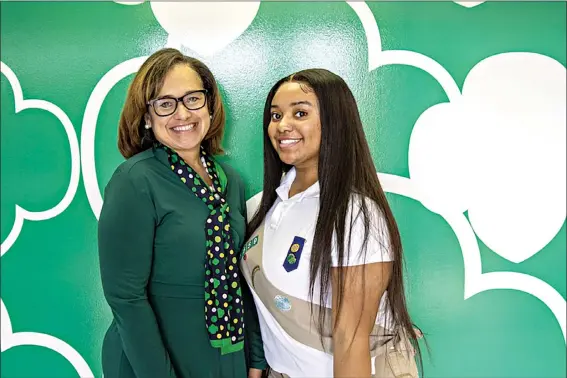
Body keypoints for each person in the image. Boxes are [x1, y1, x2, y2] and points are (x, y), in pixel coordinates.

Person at [241, 68, 423, 378]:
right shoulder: (270, 204)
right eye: (275, 116)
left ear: (334, 122)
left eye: (300, 113)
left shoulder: (355, 214)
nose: (283, 125)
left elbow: (350, 342)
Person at [98, 48, 266, 378]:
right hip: (154, 361)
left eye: (192, 98)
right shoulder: (134, 180)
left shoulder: (229, 181)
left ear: (209, 104)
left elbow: (237, 273)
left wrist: (255, 357)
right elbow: (125, 298)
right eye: (165, 103)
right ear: (147, 116)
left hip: (225, 354)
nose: (182, 113)